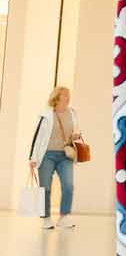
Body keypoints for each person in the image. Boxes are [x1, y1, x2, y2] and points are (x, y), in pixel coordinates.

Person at [25, 87, 81, 229]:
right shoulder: (46, 114)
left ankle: (64, 217)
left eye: (68, 95)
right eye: (64, 95)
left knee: (68, 186)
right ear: (57, 97)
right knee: (45, 188)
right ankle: (46, 218)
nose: (68, 97)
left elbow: (76, 130)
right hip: (47, 155)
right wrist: (33, 158)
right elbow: (37, 137)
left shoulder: (72, 113)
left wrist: (76, 135)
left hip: (65, 155)